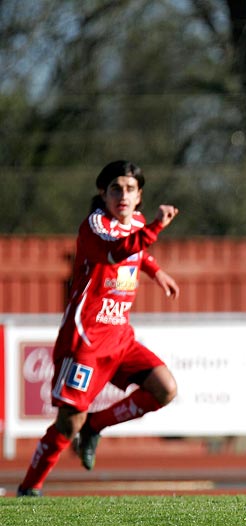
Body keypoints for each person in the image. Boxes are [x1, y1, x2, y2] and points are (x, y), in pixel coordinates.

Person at [17, 160, 180, 496]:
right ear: (103, 194)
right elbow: (114, 252)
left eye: (130, 188)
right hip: (86, 340)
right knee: (68, 421)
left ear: (139, 196)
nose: (123, 194)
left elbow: (136, 250)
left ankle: (95, 425)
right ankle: (29, 487)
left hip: (120, 336)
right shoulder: (95, 226)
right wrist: (155, 229)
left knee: (165, 388)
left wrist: (155, 270)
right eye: (115, 188)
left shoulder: (133, 223)